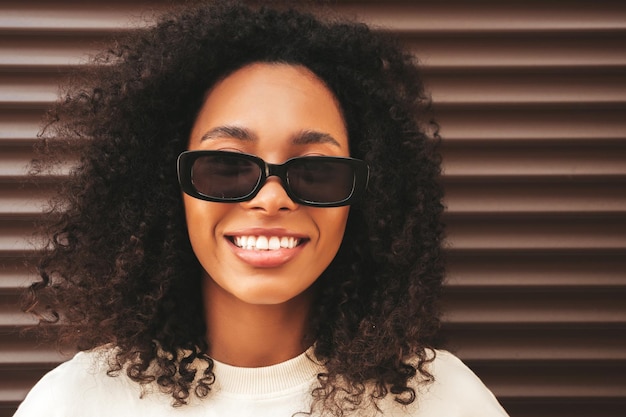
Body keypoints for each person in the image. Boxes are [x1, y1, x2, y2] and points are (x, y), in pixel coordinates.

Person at [15, 1, 509, 416]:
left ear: (364, 200)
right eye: (226, 167)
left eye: (316, 170)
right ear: (169, 188)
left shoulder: (445, 401)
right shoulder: (74, 403)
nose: (271, 198)